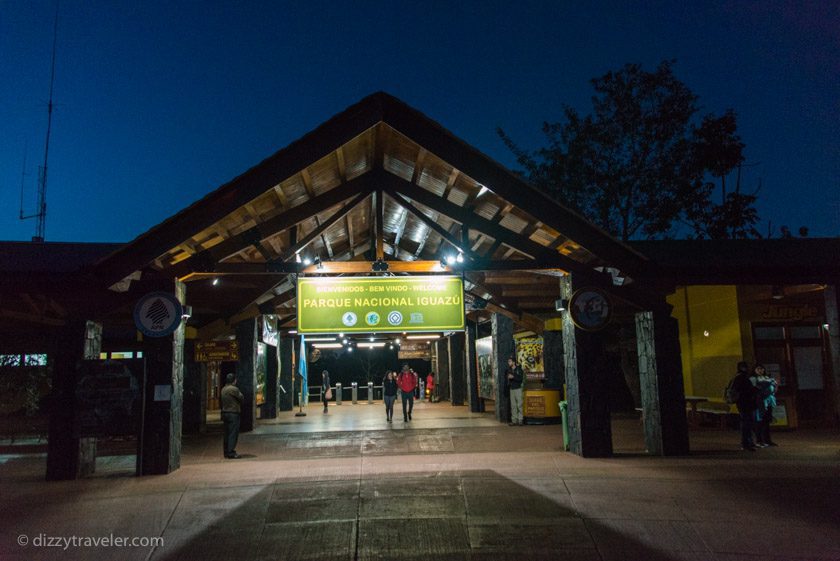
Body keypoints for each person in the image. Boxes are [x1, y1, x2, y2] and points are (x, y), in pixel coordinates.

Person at [731, 361, 759, 451]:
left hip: (743, 403)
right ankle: (746, 443)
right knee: (747, 423)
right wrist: (754, 390)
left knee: (747, 422)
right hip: (745, 403)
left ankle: (748, 442)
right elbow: (745, 390)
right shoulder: (742, 378)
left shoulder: (737, 377)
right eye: (746, 367)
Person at [751, 364, 778, 447]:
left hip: (768, 402)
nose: (760, 370)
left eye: (762, 369)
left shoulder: (767, 378)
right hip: (759, 402)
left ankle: (767, 440)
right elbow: (755, 389)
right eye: (758, 369)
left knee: (766, 421)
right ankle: (759, 440)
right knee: (759, 422)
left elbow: (774, 388)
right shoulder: (753, 379)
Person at [220, 373, 244, 459]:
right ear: (234, 380)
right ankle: (231, 452)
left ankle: (226, 451)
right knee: (233, 433)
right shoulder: (234, 389)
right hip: (233, 413)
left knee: (226, 433)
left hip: (225, 412)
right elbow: (241, 398)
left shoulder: (223, 389)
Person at [506, 356, 525, 426]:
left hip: (518, 389)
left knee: (519, 405)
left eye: (510, 361)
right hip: (512, 389)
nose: (509, 363)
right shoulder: (509, 370)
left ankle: (520, 420)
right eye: (508, 362)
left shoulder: (519, 369)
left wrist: (513, 376)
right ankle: (514, 420)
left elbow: (520, 379)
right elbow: (508, 379)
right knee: (513, 405)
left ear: (513, 362)